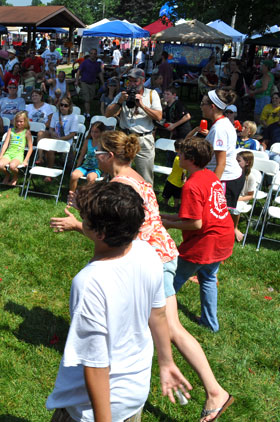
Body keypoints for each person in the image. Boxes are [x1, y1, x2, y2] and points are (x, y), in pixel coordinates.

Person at [52, 132, 232, 422]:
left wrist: (76, 225)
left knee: (171, 327)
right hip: (157, 254)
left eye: (98, 152)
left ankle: (214, 391)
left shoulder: (122, 185)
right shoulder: (137, 176)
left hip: (151, 258)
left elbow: (114, 234)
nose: (96, 156)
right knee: (158, 322)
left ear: (110, 156)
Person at [46, 180, 192, 422]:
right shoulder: (147, 252)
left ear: (101, 233)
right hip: (133, 395)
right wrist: (166, 363)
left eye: (85, 218)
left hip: (93, 409)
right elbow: (158, 315)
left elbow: (96, 364)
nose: (81, 220)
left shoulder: (89, 282)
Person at [162, 137, 235, 333]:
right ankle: (210, 324)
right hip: (223, 238)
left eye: (181, 153)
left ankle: (155, 318)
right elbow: (196, 213)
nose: (178, 155)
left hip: (205, 242)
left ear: (190, 159)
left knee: (170, 279)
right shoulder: (210, 176)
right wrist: (167, 215)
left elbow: (195, 223)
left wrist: (167, 223)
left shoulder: (191, 185)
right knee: (208, 277)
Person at [106, 68, 162, 184]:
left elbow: (158, 117)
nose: (131, 84)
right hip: (125, 138)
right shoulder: (122, 95)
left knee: (145, 177)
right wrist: (119, 102)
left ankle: (146, 201)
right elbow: (107, 114)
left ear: (143, 81)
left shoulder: (152, 94)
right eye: (129, 81)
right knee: (120, 175)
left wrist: (142, 106)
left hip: (144, 139)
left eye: (135, 81)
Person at [195, 89, 245, 211]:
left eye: (203, 104)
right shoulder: (222, 123)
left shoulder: (220, 129)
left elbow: (221, 163)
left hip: (225, 179)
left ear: (212, 106)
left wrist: (212, 188)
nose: (201, 107)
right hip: (223, 177)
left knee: (217, 220)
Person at [37, 95, 79, 169]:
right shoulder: (56, 115)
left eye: (65, 105)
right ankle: (40, 158)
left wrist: (59, 139)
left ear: (69, 107)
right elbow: (51, 129)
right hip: (54, 138)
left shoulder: (73, 117)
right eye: (61, 105)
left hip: (65, 141)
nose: (63, 107)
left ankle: (49, 172)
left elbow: (72, 134)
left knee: (50, 148)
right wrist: (52, 133)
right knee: (41, 133)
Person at [0, 110, 33, 186]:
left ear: (25, 122)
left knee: (12, 166)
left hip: (18, 155)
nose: (19, 123)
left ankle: (15, 177)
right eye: (17, 121)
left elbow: (30, 148)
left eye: (21, 121)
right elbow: (5, 144)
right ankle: (7, 175)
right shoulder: (10, 130)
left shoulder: (26, 132)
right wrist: (0, 157)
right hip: (8, 154)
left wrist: (25, 160)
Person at [68, 121, 103, 193]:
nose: (94, 134)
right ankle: (72, 196)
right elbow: (82, 155)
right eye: (92, 131)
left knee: (90, 178)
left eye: (96, 132)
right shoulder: (87, 141)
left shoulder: (103, 143)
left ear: (101, 132)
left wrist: (105, 171)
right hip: (85, 166)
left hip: (96, 168)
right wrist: (77, 166)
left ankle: (88, 197)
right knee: (74, 175)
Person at [231, 151, 256, 242]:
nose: (236, 163)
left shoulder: (250, 177)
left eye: (239, 161)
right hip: (231, 195)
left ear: (247, 163)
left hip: (242, 199)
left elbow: (250, 196)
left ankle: (235, 228)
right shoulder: (232, 173)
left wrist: (238, 199)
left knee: (235, 208)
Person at [75, 49, 104, 117]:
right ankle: (88, 114)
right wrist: (76, 81)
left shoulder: (97, 64)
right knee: (87, 99)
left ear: (96, 55)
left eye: (94, 53)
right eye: (92, 53)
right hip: (84, 82)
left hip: (92, 84)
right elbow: (78, 72)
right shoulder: (85, 62)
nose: (93, 55)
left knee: (90, 99)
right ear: (89, 54)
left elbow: (100, 73)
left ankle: (85, 112)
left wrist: (103, 83)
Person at [162, 138, 186, 209]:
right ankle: (165, 205)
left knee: (177, 197)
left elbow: (184, 171)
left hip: (179, 182)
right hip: (172, 181)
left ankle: (175, 207)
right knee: (167, 196)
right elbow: (184, 168)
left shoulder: (182, 158)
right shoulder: (178, 159)